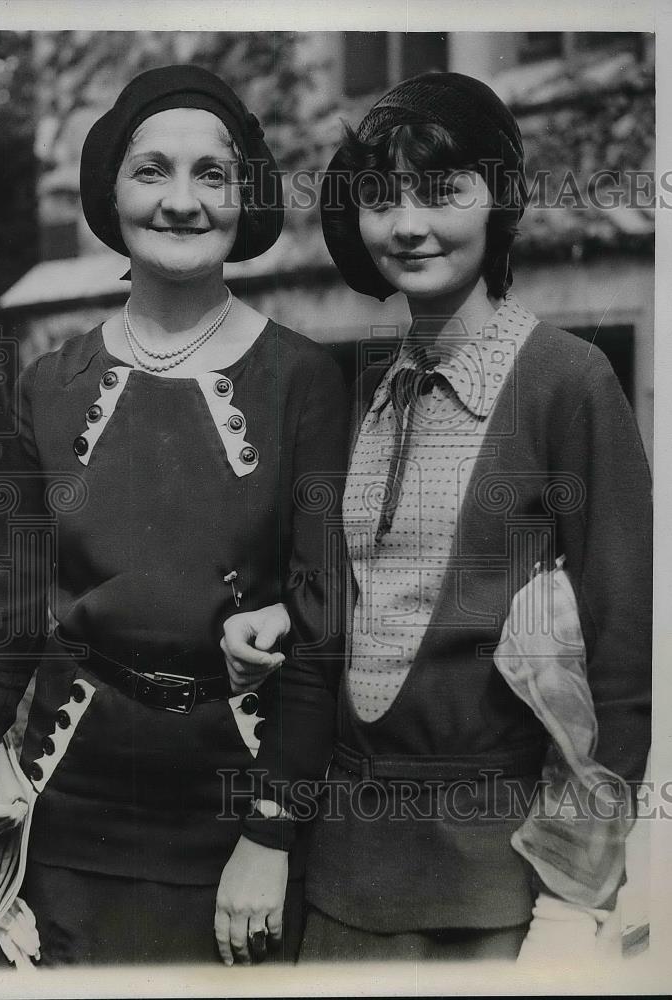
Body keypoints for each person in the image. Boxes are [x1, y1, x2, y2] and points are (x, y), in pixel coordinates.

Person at [222, 71, 652, 963]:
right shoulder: (377, 393)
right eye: (380, 198)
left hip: (498, 888)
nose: (407, 225)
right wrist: (284, 616)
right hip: (342, 875)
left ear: (498, 198)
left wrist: (574, 899)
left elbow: (621, 661)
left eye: (442, 191)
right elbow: (380, 594)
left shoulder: (567, 382)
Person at [0, 64, 347, 967]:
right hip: (61, 820)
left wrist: (273, 836)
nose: (181, 201)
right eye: (151, 171)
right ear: (110, 193)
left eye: (211, 174)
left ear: (242, 196)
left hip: (235, 834)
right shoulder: (49, 384)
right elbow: (4, 615)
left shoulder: (303, 381)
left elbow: (324, 621)